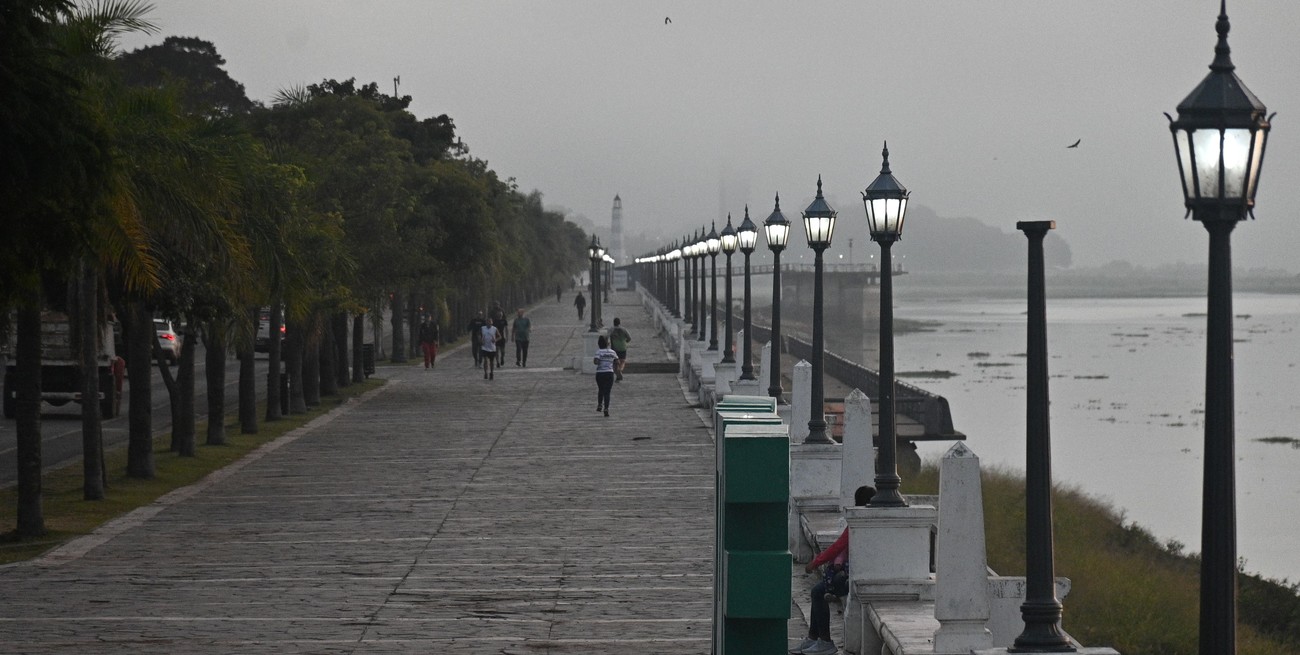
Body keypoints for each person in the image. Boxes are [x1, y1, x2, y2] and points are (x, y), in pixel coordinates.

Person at [790, 486, 875, 655]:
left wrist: (815, 563)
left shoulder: (857, 523)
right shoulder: (867, 522)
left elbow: (837, 547)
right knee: (817, 592)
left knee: (818, 592)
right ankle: (814, 639)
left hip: (852, 576)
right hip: (856, 573)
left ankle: (824, 641)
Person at [593, 335, 617, 417]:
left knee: (601, 389)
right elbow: (617, 361)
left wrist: (600, 361)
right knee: (607, 392)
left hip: (600, 373)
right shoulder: (612, 352)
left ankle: (600, 404)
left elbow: (595, 362)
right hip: (609, 373)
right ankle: (606, 408)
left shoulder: (599, 352)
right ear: (608, 343)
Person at [607, 317, 632, 382]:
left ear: (614, 323)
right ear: (619, 323)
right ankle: (620, 370)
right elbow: (629, 338)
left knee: (615, 363)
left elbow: (606, 337)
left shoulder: (611, 329)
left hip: (614, 349)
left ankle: (618, 373)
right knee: (622, 361)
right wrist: (625, 342)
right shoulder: (624, 329)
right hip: (623, 347)